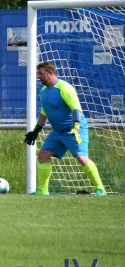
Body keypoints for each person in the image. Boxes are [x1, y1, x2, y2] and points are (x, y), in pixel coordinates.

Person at [24, 61, 106, 196]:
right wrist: (35, 131)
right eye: (38, 73)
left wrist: (76, 127)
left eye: (41, 73)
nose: (39, 76)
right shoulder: (43, 91)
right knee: (43, 155)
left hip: (74, 129)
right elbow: (44, 112)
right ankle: (43, 190)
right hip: (58, 132)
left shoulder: (64, 88)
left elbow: (76, 108)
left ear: (50, 73)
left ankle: (100, 189)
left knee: (81, 158)